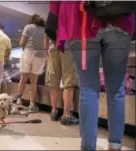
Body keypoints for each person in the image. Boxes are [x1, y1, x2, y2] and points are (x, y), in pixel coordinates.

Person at [46, 2, 135, 150]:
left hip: (79, 19)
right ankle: (115, 145)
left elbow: (55, 6)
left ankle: (88, 147)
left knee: (88, 88)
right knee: (116, 90)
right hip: (120, 17)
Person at [14, 14, 46, 113]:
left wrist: (25, 50)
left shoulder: (28, 27)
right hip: (40, 55)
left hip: (28, 53)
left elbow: (21, 43)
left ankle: (19, 100)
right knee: (34, 81)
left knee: (23, 78)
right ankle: (32, 103)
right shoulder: (45, 30)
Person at [44, 36, 79, 125]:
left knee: (53, 81)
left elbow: (46, 34)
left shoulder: (51, 20)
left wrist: (46, 50)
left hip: (52, 48)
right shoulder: (70, 20)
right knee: (68, 81)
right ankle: (66, 115)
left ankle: (54, 111)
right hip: (67, 46)